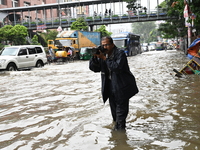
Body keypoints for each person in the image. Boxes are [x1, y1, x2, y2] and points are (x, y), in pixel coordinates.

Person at [89, 36, 139, 131]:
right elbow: (94, 69)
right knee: (115, 115)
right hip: (110, 88)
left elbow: (117, 67)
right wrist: (94, 57)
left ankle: (120, 137)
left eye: (107, 45)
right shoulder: (103, 55)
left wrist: (104, 58)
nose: (105, 47)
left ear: (112, 45)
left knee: (120, 116)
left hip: (122, 88)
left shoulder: (120, 53)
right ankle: (117, 134)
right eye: (103, 45)